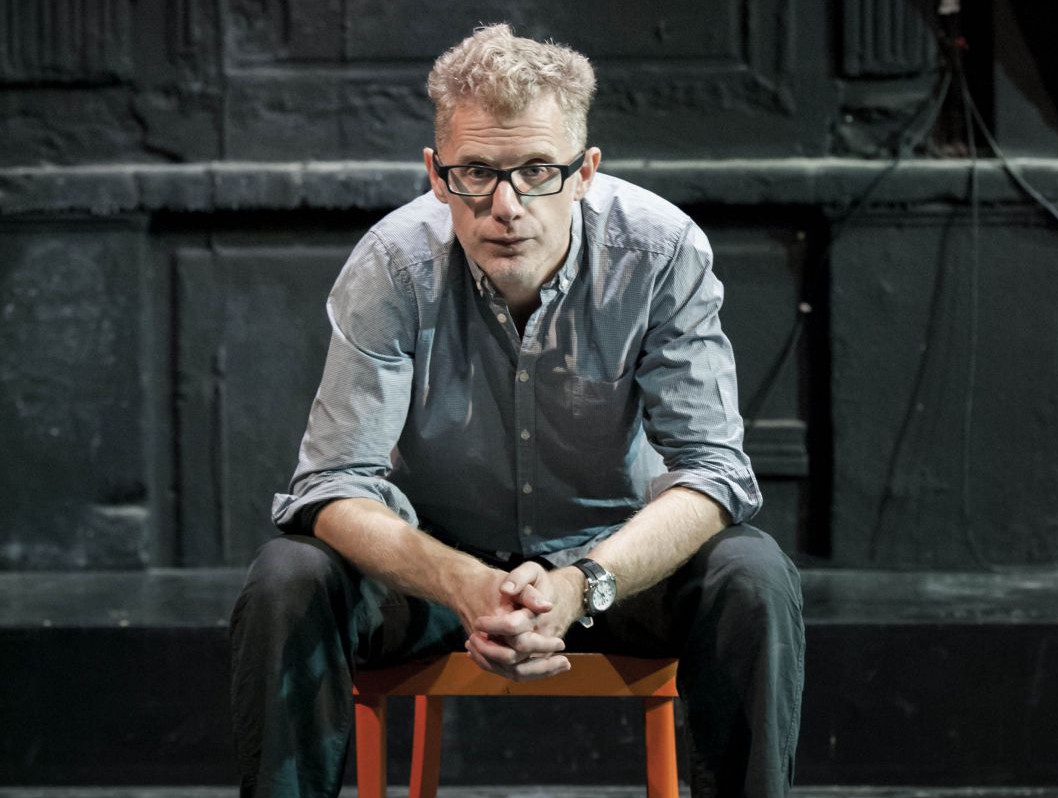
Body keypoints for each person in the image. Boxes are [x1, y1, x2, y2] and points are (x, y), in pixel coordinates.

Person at [230, 23, 804, 798]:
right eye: (476, 172)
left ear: (585, 172)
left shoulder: (662, 252)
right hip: (435, 578)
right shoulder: (392, 265)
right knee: (289, 576)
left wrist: (582, 583)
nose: (506, 206)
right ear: (436, 176)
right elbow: (330, 486)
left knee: (753, 574)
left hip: (613, 573)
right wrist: (463, 581)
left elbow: (712, 473)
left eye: (537, 170)